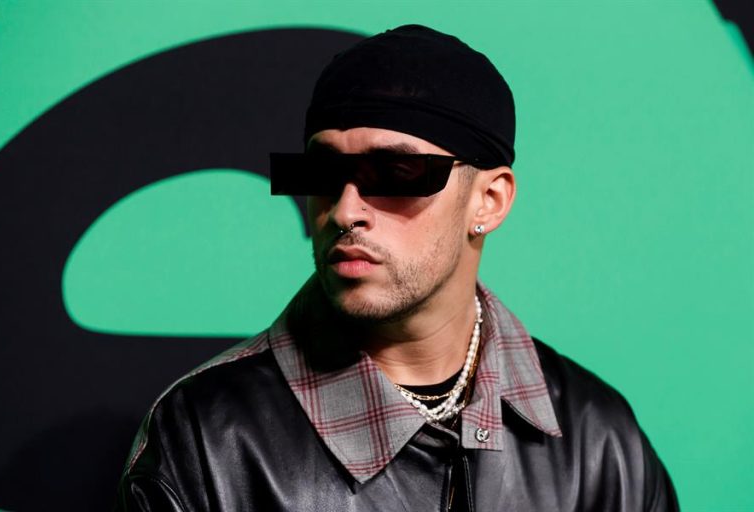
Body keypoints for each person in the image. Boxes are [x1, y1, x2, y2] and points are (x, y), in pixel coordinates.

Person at [115, 25, 678, 511]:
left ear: (488, 201)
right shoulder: (205, 441)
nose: (345, 211)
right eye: (322, 173)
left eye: (396, 173)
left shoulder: (599, 441)